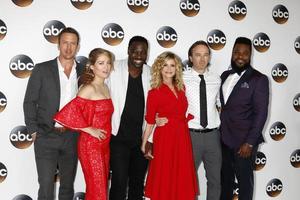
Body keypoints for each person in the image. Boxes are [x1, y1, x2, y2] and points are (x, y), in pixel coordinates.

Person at [23, 27, 84, 200]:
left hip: (71, 137)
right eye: (65, 42)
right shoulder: (42, 69)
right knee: (46, 187)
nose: (68, 47)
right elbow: (29, 102)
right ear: (58, 44)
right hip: (45, 136)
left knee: (67, 187)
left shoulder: (84, 72)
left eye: (73, 43)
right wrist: (34, 131)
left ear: (78, 47)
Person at [53, 48, 114, 200]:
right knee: (98, 190)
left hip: (104, 145)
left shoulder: (105, 87)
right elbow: (66, 114)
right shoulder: (88, 88)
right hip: (90, 146)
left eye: (108, 63)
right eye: (101, 63)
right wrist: (89, 129)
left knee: (98, 189)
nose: (106, 67)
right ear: (92, 66)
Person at [141, 51, 198, 200]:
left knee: (181, 175)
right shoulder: (154, 92)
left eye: (172, 65)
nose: (169, 68)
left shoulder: (182, 88)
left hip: (182, 136)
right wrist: (144, 143)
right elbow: (150, 121)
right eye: (165, 65)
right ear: (159, 67)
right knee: (165, 173)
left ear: (177, 68)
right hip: (165, 137)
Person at [219, 37, 269, 200]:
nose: (240, 56)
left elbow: (261, 113)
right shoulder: (225, 75)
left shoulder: (258, 79)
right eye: (237, 52)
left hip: (244, 143)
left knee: (244, 185)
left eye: (245, 53)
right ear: (232, 53)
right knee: (224, 182)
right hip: (224, 139)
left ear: (250, 55)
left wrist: (249, 142)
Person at [108, 36, 151, 200]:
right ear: (128, 51)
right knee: (119, 183)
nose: (138, 55)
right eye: (135, 51)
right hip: (118, 138)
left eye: (143, 52)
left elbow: (156, 110)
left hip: (141, 140)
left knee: (137, 184)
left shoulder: (151, 73)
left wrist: (150, 140)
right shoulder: (113, 68)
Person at [184, 40, 222, 200]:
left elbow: (219, 103)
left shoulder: (217, 79)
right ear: (191, 58)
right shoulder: (181, 77)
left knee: (215, 181)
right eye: (198, 55)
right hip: (190, 136)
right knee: (188, 182)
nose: (202, 59)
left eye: (206, 55)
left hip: (213, 136)